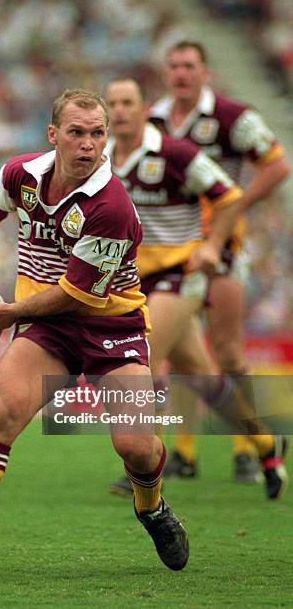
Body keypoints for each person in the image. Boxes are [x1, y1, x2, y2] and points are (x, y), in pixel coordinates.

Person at [0, 89, 189, 577]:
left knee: (136, 446)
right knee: (3, 413)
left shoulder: (112, 206)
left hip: (113, 326)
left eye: (97, 134)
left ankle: (151, 507)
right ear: (54, 135)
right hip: (47, 327)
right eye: (76, 133)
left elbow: (75, 294)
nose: (88, 145)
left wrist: (7, 312)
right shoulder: (21, 175)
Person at [104, 78, 288, 499]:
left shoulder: (175, 152)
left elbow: (227, 195)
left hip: (181, 273)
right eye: (112, 103)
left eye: (127, 102)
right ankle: (265, 445)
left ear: (143, 107)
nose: (119, 111)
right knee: (204, 378)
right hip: (134, 278)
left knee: (141, 361)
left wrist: (211, 245)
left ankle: (143, 461)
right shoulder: (102, 159)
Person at [149, 40, 290, 482]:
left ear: (206, 71)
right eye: (174, 66)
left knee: (227, 350)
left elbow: (276, 164)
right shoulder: (153, 119)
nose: (181, 73)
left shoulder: (231, 116)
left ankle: (249, 448)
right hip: (174, 251)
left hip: (222, 249)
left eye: (189, 65)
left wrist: (237, 206)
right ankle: (183, 455)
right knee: (172, 350)